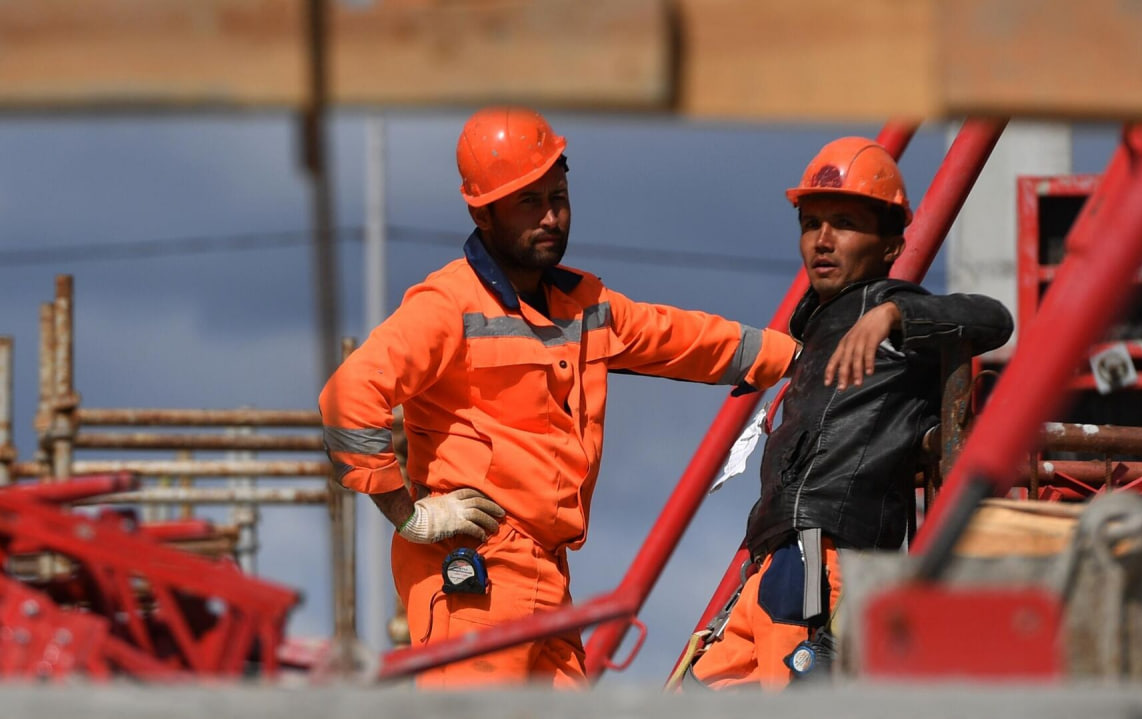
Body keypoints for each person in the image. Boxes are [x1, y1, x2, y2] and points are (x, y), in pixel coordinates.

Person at [317, 106, 804, 689]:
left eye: (558, 197)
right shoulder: (448, 305)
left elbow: (682, 338)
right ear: (482, 212)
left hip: (548, 574)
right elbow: (348, 398)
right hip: (475, 578)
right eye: (529, 202)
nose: (551, 216)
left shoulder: (584, 306)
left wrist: (799, 357)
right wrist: (411, 517)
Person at [685, 137, 1014, 690]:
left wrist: (895, 314)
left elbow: (993, 318)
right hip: (776, 559)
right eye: (810, 224)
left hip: (825, 556)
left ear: (891, 245)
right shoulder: (818, 325)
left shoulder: (891, 316)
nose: (822, 240)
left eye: (844, 223)